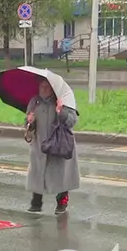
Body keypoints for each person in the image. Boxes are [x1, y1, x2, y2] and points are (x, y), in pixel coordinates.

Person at [25, 79, 80, 214]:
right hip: (39, 145)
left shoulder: (62, 101)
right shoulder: (34, 102)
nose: (43, 89)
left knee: (60, 174)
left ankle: (62, 202)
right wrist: (29, 122)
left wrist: (61, 112)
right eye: (41, 86)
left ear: (53, 88)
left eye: (47, 87)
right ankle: (36, 202)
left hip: (58, 144)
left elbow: (72, 121)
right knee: (37, 173)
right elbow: (27, 127)